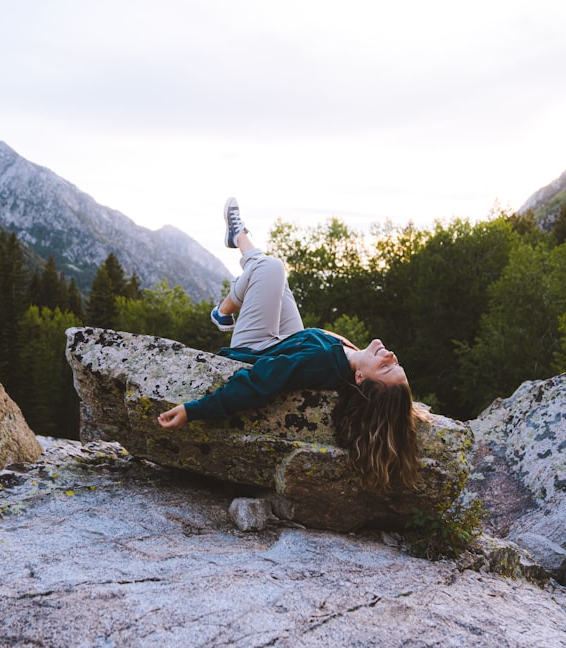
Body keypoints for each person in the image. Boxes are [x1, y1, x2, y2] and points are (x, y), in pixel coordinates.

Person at [157, 197, 426, 491]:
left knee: (270, 268)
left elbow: (259, 383)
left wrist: (194, 410)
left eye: (386, 368)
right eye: (396, 363)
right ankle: (238, 236)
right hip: (291, 340)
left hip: (257, 346)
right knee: (273, 275)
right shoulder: (351, 360)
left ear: (360, 379)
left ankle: (223, 311)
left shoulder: (320, 364)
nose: (390, 356)